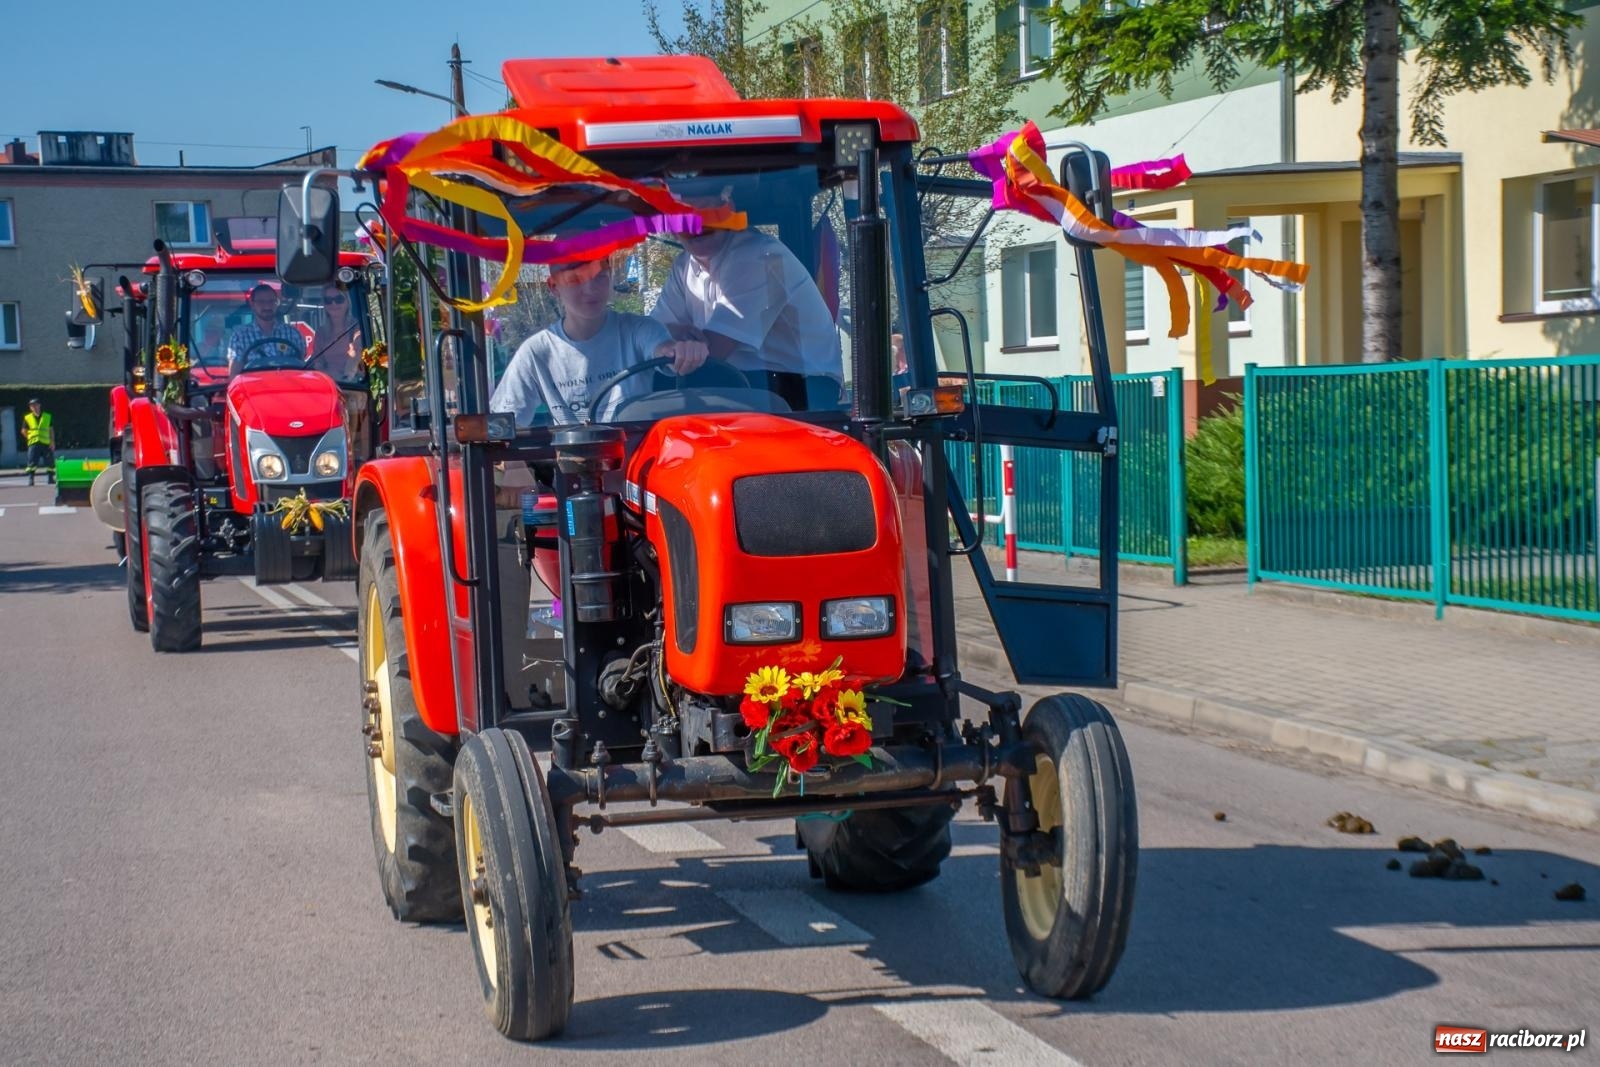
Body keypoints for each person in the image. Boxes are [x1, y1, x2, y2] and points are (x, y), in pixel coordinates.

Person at [651, 186, 843, 410]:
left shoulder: (761, 257)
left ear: (728, 211)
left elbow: (711, 353)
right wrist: (668, 336)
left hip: (800, 394)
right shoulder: (683, 267)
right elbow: (651, 335)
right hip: (739, 387)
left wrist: (668, 343)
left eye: (705, 212)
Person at [490, 258, 708, 426]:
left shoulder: (639, 329)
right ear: (554, 287)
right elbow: (504, 421)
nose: (590, 290)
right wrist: (514, 469)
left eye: (599, 276)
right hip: (573, 469)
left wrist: (681, 352)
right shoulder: (537, 352)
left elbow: (663, 352)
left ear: (610, 276)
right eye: (575, 280)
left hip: (637, 464)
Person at [226, 283, 306, 373]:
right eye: (261, 302)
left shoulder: (293, 334)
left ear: (277, 303)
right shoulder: (240, 337)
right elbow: (235, 375)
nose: (267, 306)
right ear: (252, 304)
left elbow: (301, 370)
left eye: (271, 301)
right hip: (254, 386)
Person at [308, 283, 362, 380]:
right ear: (324, 304)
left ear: (347, 302)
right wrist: (326, 375)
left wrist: (345, 378)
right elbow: (318, 361)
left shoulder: (356, 328)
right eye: (328, 300)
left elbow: (355, 357)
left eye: (339, 299)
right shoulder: (321, 332)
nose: (333, 304)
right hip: (329, 382)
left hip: (353, 384)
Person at [22, 398, 54, 486]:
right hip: (34, 443)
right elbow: (24, 430)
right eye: (32, 406)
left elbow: (51, 430)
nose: (34, 407)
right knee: (32, 462)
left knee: (49, 461)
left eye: (36, 405)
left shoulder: (47, 416)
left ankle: (50, 478)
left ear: (39, 405)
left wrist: (52, 442)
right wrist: (29, 437)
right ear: (30, 408)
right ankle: (31, 479)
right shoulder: (27, 418)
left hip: (45, 443)